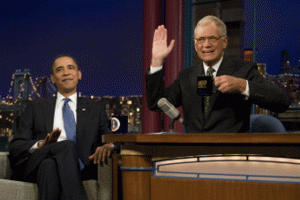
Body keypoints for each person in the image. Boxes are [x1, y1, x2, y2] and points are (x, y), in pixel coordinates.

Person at [146, 15, 291, 133]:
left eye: (212, 39)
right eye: (201, 40)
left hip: (230, 156)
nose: (206, 45)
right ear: (195, 45)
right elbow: (156, 103)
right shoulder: (187, 76)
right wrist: (157, 60)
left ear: (225, 42)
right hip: (193, 155)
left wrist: (242, 86)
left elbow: (282, 102)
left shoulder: (243, 70)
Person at [8, 55, 114, 199]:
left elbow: (113, 137)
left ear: (79, 74)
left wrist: (110, 145)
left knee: (49, 167)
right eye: (59, 70)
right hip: (35, 163)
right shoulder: (35, 107)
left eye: (71, 68)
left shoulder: (96, 107)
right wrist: (41, 144)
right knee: (68, 146)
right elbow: (15, 146)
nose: (66, 72)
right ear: (52, 78)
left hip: (81, 167)